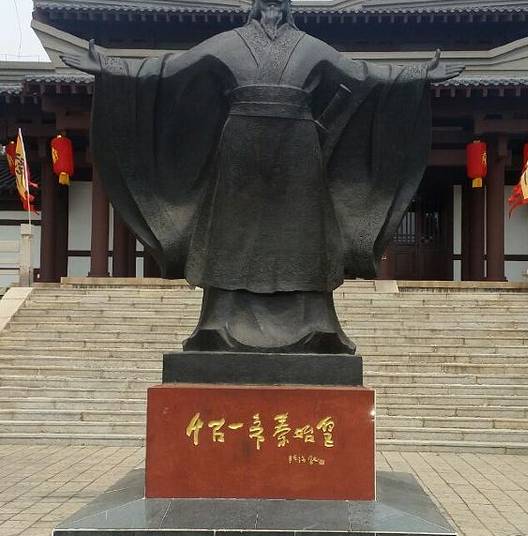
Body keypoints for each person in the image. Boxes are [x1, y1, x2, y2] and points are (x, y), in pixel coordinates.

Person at [62, 0, 463, 354]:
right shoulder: (228, 43)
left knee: (303, 232)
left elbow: (362, 75)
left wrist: (418, 74)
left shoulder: (309, 46)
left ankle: (317, 325)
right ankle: (218, 322)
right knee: (230, 232)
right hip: (240, 143)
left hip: (299, 147)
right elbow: (168, 70)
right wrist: (110, 68)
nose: (272, 4)